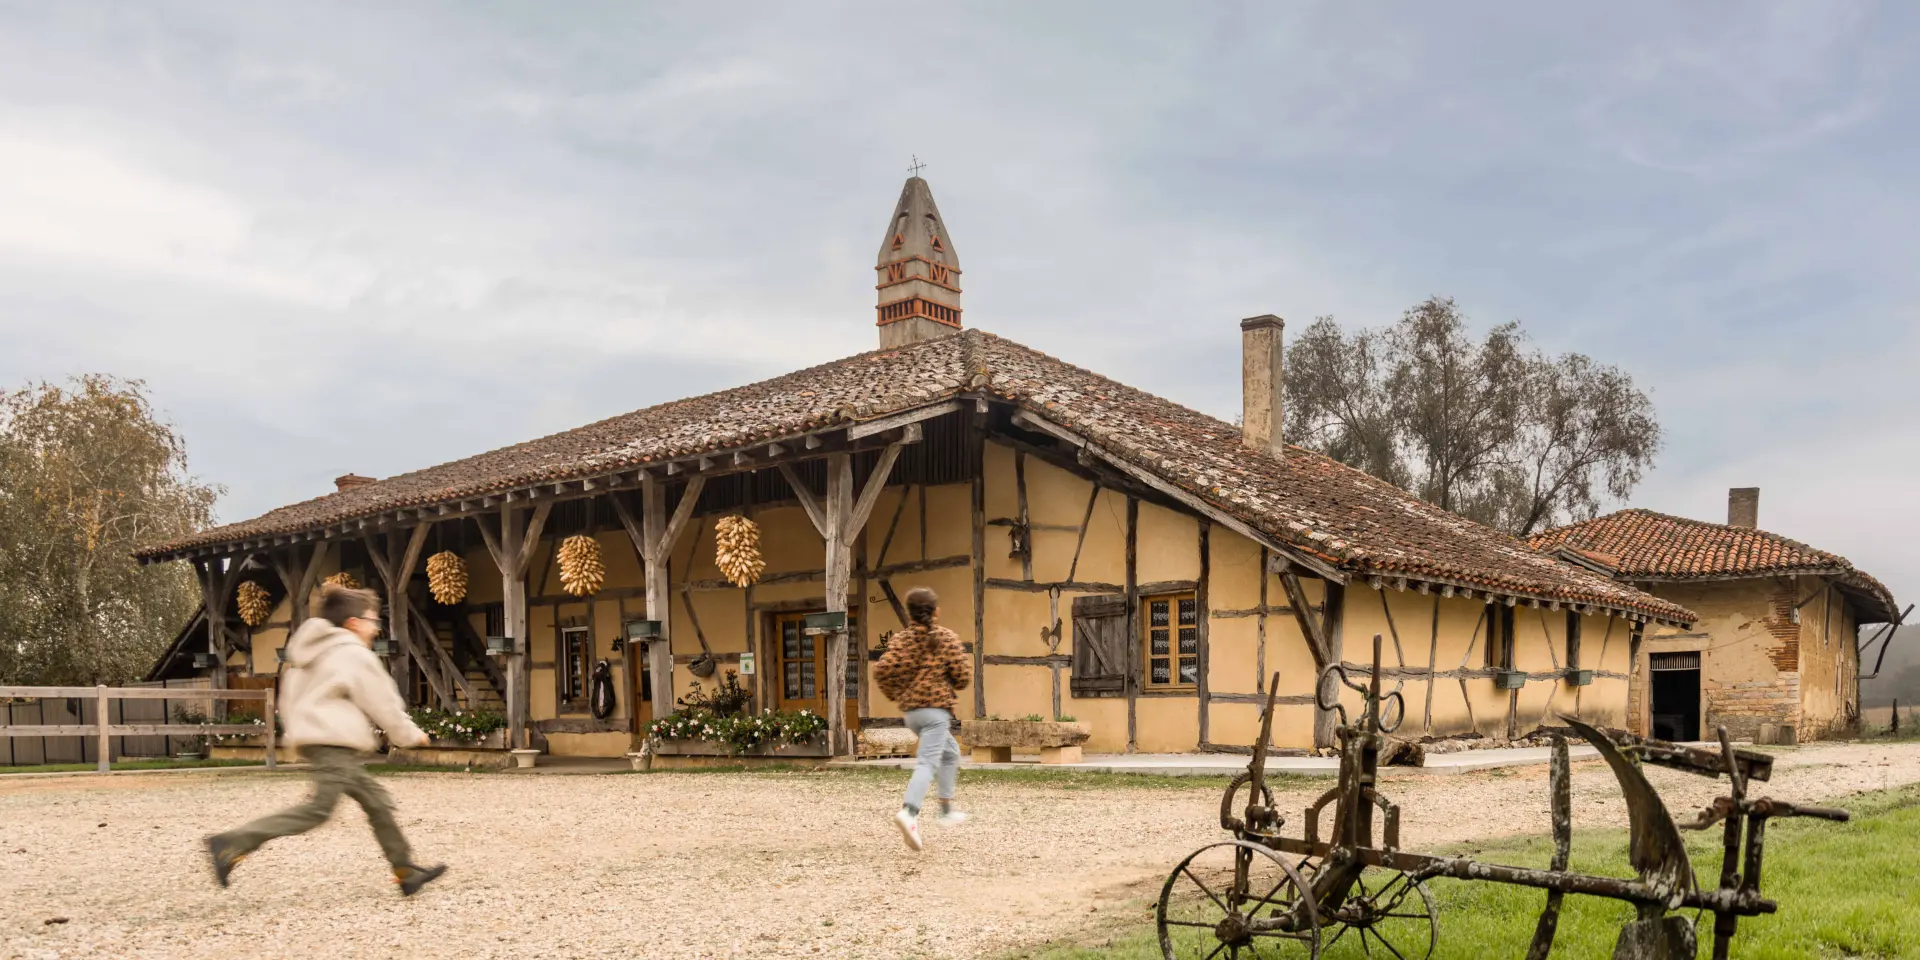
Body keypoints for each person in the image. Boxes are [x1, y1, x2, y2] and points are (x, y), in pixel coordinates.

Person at [205, 583, 448, 895]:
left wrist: (303, 734)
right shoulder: (353, 654)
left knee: (376, 801)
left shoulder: (310, 655)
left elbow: (289, 698)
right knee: (318, 810)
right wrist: (409, 734)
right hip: (334, 744)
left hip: (323, 743)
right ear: (354, 623)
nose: (377, 628)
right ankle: (230, 843)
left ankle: (405, 870)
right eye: (373, 621)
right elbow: (382, 702)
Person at [871, 586, 973, 851]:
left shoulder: (901, 640)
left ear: (910, 613)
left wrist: (896, 693)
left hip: (912, 714)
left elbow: (882, 670)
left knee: (950, 753)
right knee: (927, 763)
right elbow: (963, 676)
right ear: (936, 611)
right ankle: (909, 812)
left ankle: (946, 809)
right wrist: (949, 680)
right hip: (936, 713)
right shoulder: (945, 637)